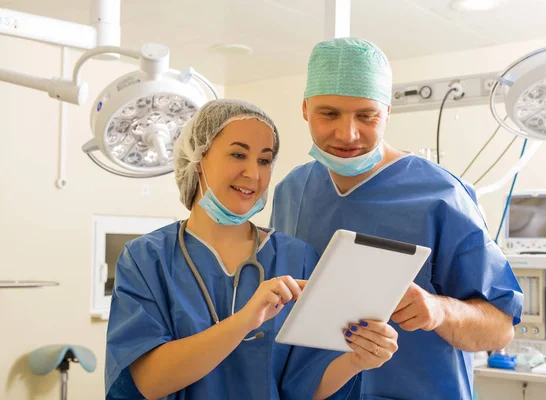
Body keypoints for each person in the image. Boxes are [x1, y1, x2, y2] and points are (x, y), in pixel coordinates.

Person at [270, 38, 524, 400]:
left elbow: (500, 329)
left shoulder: (441, 195)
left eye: (366, 115)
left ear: (387, 113)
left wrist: (439, 310)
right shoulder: (291, 191)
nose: (348, 134)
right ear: (305, 109)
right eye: (329, 114)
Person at [104, 98, 399, 400]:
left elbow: (305, 386)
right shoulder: (146, 259)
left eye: (264, 160)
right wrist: (246, 319)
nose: (253, 174)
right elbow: (148, 381)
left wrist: (356, 360)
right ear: (198, 158)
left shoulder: (297, 258)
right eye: (238, 154)